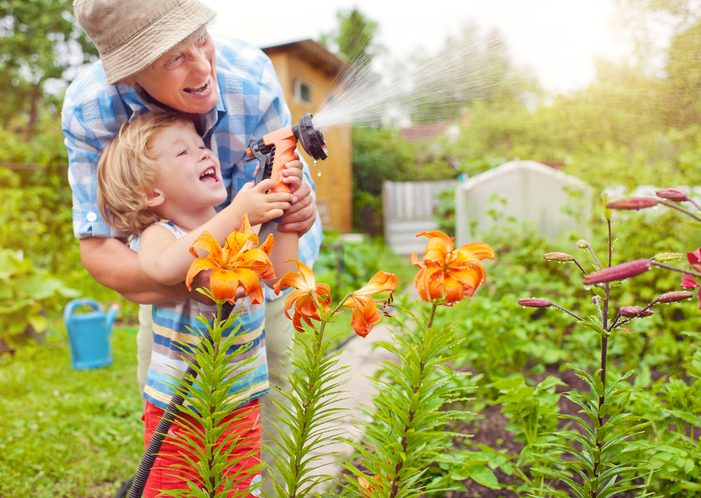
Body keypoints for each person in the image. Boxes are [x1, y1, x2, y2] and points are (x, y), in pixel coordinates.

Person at [62, 0, 321, 484]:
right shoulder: (93, 114)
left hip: (244, 386)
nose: (203, 68)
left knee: (263, 466)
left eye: (201, 39)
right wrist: (235, 224)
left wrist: (291, 221)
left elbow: (279, 277)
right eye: (172, 58)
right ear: (132, 73)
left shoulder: (251, 81)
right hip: (178, 375)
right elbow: (143, 262)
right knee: (175, 477)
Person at [96, 111, 299, 495]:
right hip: (180, 409)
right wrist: (238, 213)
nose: (205, 154)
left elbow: (278, 274)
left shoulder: (240, 228)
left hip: (239, 403)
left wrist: (285, 218)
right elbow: (162, 267)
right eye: (183, 152)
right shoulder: (161, 233)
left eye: (203, 146)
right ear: (153, 193)